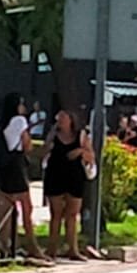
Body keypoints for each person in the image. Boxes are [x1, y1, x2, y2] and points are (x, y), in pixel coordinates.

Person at [0, 92, 45, 261]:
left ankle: (7, 245)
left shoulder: (2, 123)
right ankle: (32, 246)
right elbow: (27, 145)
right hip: (17, 165)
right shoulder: (20, 121)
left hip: (5, 167)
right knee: (27, 207)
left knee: (8, 208)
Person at [42, 108, 96, 260]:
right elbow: (43, 152)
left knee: (72, 214)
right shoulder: (53, 135)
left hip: (74, 176)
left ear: (71, 120)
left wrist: (80, 151)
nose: (59, 120)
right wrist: (49, 143)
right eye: (58, 117)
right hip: (55, 174)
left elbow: (91, 156)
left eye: (63, 117)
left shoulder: (81, 136)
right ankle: (52, 248)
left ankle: (73, 249)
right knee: (56, 213)